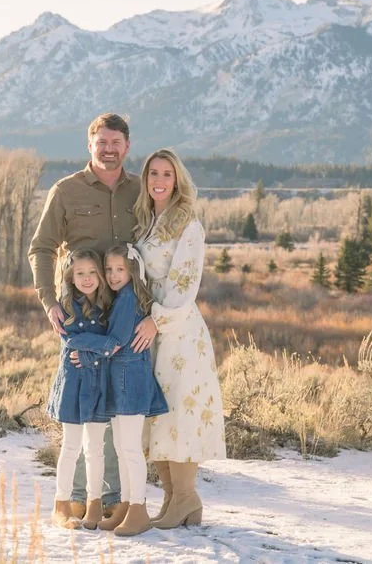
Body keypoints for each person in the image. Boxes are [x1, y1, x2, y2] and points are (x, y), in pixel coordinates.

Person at [28, 113, 158, 516]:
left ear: (127, 146)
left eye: (116, 142)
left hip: (126, 316)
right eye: (101, 142)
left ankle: (117, 500)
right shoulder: (65, 191)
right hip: (81, 316)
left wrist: (159, 313)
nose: (109, 149)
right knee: (84, 409)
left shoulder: (141, 190)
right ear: (90, 145)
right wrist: (49, 301)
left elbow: (160, 245)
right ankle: (79, 498)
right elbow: (42, 248)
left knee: (121, 407)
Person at [134, 148, 226, 529]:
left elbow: (185, 283)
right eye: (153, 173)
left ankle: (186, 496)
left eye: (167, 174)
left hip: (178, 330)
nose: (159, 180)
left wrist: (158, 321)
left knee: (179, 413)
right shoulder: (145, 222)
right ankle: (174, 499)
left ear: (178, 180)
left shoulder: (189, 224)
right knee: (157, 414)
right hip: (150, 330)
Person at [96, 243, 169, 536]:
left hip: (129, 382)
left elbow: (114, 341)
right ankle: (126, 505)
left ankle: (138, 510)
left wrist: (83, 350)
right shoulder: (121, 298)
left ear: (133, 271)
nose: (113, 275)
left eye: (120, 269)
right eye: (109, 270)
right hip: (121, 380)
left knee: (130, 449)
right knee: (121, 447)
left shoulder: (128, 300)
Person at [46, 249, 114, 530]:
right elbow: (70, 342)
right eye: (79, 274)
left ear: (100, 275)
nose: (86, 279)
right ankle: (61, 505)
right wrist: (96, 347)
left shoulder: (109, 306)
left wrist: (94, 351)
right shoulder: (65, 306)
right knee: (71, 446)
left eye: (91, 273)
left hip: (98, 384)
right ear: (71, 278)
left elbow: (114, 342)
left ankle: (94, 504)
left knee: (95, 448)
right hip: (73, 384)